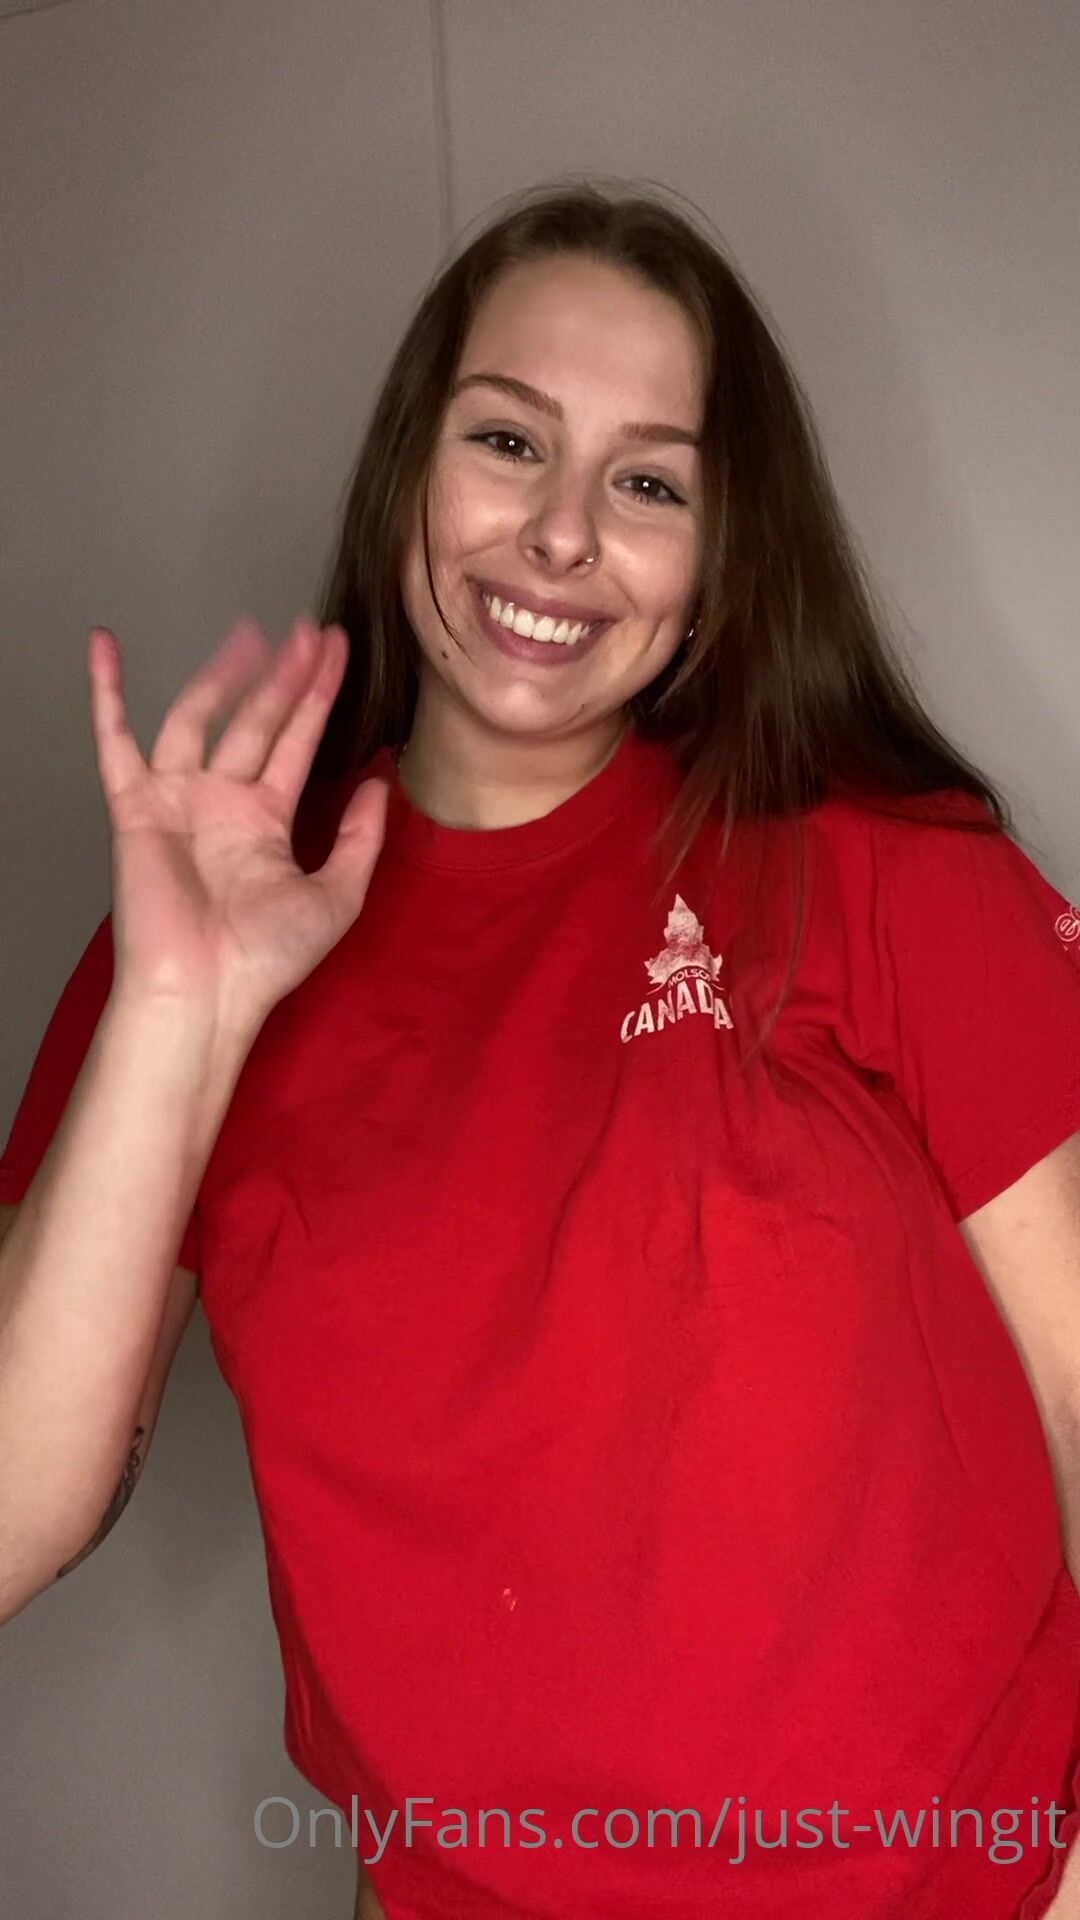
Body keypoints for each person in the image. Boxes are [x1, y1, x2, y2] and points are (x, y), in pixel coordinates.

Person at [1, 181, 1079, 1920]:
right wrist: (178, 1016)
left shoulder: (879, 864)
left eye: (650, 484)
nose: (561, 534)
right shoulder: (201, 945)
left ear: (719, 560)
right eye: (508, 443)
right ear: (408, 472)